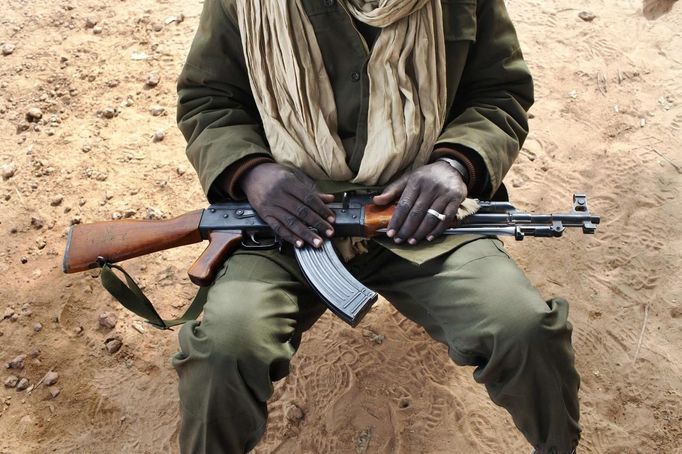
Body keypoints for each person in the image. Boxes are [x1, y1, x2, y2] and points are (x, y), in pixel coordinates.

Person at [173, 1, 581, 453]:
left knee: (523, 329)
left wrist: (455, 165)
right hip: (287, 219)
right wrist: (251, 172)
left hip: (415, 211)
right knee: (225, 349)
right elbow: (207, 100)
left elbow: (498, 92)